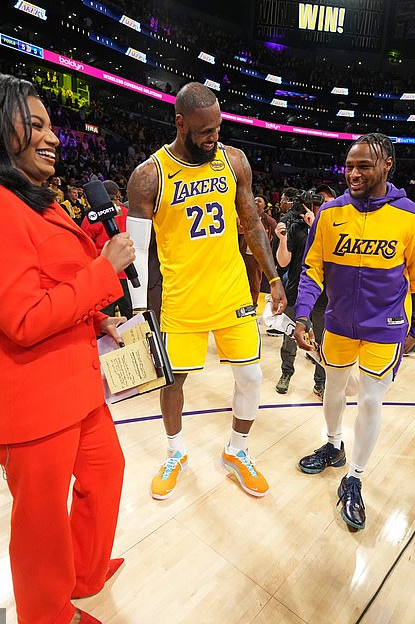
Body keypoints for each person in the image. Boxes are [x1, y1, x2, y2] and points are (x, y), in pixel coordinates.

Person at [0, 73, 135, 624]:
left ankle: (84, 574)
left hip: (77, 377)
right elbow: (21, 317)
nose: (53, 137)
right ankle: (47, 613)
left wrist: (98, 320)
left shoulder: (38, 200)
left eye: (51, 125)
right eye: (36, 124)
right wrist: (103, 270)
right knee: (40, 522)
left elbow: (56, 284)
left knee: (105, 473)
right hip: (36, 393)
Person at [126, 82, 286, 500]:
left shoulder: (233, 161)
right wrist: (142, 311)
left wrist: (272, 278)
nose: (214, 137)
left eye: (217, 127)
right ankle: (175, 452)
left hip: (231, 293)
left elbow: (250, 222)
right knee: (173, 381)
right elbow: (137, 250)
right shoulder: (148, 176)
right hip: (180, 300)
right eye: (204, 131)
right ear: (180, 123)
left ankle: (237, 451)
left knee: (251, 375)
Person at [293, 133, 415, 530]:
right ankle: (333, 444)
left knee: (370, 400)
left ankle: (353, 477)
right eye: (349, 165)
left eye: (363, 166)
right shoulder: (330, 213)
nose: (352, 173)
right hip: (337, 322)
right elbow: (312, 270)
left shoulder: (412, 216)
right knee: (333, 388)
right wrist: (303, 316)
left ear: (387, 164)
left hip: (385, 328)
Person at [273, 190, 326, 398]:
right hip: (297, 291)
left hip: (323, 296)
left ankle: (320, 383)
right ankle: (286, 373)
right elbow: (283, 262)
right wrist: (282, 239)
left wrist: (316, 228)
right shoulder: (295, 228)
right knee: (290, 338)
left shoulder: (329, 229)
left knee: (321, 341)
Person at [81, 179, 133, 319]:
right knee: (130, 317)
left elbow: (83, 246)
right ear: (117, 194)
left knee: (105, 318)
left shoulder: (92, 217)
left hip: (104, 273)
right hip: (127, 274)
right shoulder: (127, 213)